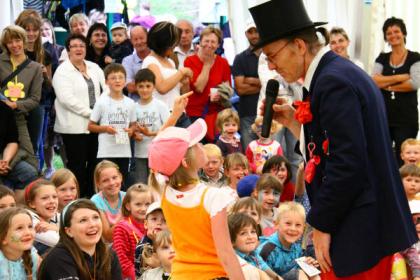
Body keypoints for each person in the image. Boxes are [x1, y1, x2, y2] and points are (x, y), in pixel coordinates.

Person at [249, 0, 417, 277]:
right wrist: (294, 123)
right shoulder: (337, 73)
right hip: (365, 222)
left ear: (299, 46)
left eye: (272, 55)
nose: (271, 65)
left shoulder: (332, 81)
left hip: (359, 227)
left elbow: (347, 163)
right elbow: (334, 147)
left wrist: (322, 224)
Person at [148, 119, 245, 279]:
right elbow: (226, 254)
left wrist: (174, 116)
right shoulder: (213, 197)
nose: (202, 146)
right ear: (186, 162)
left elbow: (158, 151)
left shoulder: (164, 191)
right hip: (212, 275)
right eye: (197, 144)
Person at [53, 33, 106, 198]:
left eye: (81, 46)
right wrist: (92, 114)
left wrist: (103, 111)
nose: (78, 49)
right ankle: (76, 199)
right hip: (73, 127)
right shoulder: (62, 71)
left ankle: (92, 198)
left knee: (94, 164)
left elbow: (106, 90)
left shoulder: (94, 67)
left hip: (95, 125)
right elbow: (66, 99)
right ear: (68, 50)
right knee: (77, 166)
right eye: (74, 46)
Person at [372, 17, 420, 166]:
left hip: (407, 119)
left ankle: (404, 189)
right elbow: (374, 81)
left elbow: (414, 83)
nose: (393, 35)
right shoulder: (382, 57)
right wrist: (400, 77)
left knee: (403, 161)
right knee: (382, 158)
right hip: (383, 117)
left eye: (396, 31)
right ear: (385, 37)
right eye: (389, 33)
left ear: (403, 33)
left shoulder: (415, 57)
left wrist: (387, 84)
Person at [38, 199, 123, 280]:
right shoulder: (59, 257)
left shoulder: (109, 254)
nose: (92, 224)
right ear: (69, 231)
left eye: (96, 217)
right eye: (83, 220)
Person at [0, 25, 43, 171]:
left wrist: (16, 105)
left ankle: (8, 164)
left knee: (31, 158)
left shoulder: (36, 68)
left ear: (24, 41)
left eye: (17, 40)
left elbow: (35, 99)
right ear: (5, 45)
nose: (14, 45)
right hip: (1, 114)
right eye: (9, 42)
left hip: (19, 117)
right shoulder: (0, 62)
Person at [88, 63, 137, 184]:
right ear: (106, 82)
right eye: (113, 78)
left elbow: (134, 124)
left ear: (125, 81)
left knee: (122, 182)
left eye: (121, 77)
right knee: (107, 181)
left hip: (124, 151)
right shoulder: (101, 102)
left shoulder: (130, 103)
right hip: (106, 151)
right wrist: (106, 129)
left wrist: (131, 131)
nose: (117, 81)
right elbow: (90, 126)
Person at [184, 26, 231, 141]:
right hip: (194, 115)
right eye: (206, 41)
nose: (209, 45)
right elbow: (199, 88)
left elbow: (228, 89)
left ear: (218, 45)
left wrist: (221, 94)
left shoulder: (223, 62)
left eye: (213, 42)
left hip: (216, 115)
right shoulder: (190, 61)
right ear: (200, 42)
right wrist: (207, 65)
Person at [142, 21, 193, 128]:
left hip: (180, 114)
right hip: (163, 116)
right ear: (163, 44)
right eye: (172, 45)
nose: (174, 48)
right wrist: (181, 72)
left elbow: (180, 92)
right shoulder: (150, 61)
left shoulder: (170, 61)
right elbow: (162, 87)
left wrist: (185, 83)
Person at [257, 201, 319, 280]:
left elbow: (296, 268)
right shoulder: (267, 249)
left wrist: (307, 264)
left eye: (298, 225)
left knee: (313, 274)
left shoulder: (297, 247)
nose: (293, 229)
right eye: (288, 223)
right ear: (276, 224)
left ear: (303, 228)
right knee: (299, 274)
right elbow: (259, 274)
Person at [133, 69, 170, 184]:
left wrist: (149, 133)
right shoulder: (133, 107)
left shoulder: (160, 106)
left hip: (158, 153)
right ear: (136, 87)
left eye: (148, 86)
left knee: (158, 183)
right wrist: (134, 134)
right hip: (140, 153)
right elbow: (131, 127)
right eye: (141, 86)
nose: (144, 90)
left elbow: (168, 128)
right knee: (142, 184)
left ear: (154, 87)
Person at [0, 99, 38, 203]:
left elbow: (12, 141)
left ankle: (16, 212)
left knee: (28, 173)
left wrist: (5, 161)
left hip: (2, 156)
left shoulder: (4, 109)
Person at [232, 19, 262, 149]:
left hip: (268, 113)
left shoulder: (270, 55)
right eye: (250, 32)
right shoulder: (240, 58)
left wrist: (252, 80)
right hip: (247, 113)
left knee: (272, 154)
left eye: (257, 31)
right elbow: (240, 89)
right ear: (246, 34)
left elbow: (276, 84)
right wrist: (263, 85)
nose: (254, 35)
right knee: (250, 153)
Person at [113, 184, 152, 280]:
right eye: (138, 204)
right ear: (128, 206)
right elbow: (121, 260)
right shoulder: (121, 228)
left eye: (147, 204)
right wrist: (139, 277)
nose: (144, 209)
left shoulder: (154, 225)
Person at [228, 213, 280, 279]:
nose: (250, 237)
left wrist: (277, 278)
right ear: (231, 241)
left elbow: (263, 266)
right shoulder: (236, 260)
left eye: (253, 232)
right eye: (243, 233)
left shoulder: (254, 253)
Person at [0, 207, 40, 280]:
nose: (28, 232)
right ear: (3, 238)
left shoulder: (33, 258)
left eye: (30, 226)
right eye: (19, 228)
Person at [91, 160, 126, 242]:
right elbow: (107, 237)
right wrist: (127, 219)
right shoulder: (96, 201)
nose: (112, 183)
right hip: (106, 247)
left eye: (114, 177)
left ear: (120, 177)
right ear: (98, 184)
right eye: (105, 180)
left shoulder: (127, 197)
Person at [24, 179, 60, 255]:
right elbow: (57, 241)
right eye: (45, 198)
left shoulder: (57, 215)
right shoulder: (29, 219)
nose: (52, 201)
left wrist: (56, 228)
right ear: (31, 204)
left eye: (54, 197)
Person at [134, 201, 168, 278]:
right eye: (154, 219)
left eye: (165, 220)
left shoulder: (173, 243)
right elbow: (153, 264)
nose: (159, 223)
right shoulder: (143, 245)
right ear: (146, 224)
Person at [122, 26, 150, 99]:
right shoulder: (127, 61)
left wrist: (138, 84)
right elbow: (130, 87)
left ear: (148, 37)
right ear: (131, 41)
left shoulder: (156, 57)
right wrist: (155, 87)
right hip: (136, 106)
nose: (139, 42)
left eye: (141, 38)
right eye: (135, 39)